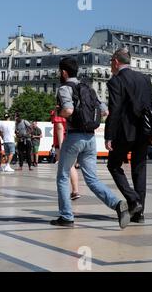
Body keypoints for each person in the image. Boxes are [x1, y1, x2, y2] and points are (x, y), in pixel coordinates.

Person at [51, 57, 129, 229]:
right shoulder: (88, 88)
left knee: (63, 176)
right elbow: (105, 111)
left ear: (64, 72)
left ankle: (66, 216)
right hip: (91, 138)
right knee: (92, 179)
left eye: (59, 71)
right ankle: (117, 204)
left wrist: (61, 112)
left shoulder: (65, 88)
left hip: (74, 137)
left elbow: (68, 110)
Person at [106, 48, 152, 224]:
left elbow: (114, 110)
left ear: (115, 62)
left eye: (110, 63)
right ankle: (140, 214)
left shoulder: (116, 81)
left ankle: (133, 200)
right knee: (140, 170)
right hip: (144, 133)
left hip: (124, 133)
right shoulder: (145, 79)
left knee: (113, 165)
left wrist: (109, 136)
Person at [51, 110, 81, 200]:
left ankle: (66, 194)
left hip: (64, 142)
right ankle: (75, 191)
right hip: (74, 140)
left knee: (64, 169)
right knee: (72, 166)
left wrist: (61, 146)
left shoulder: (60, 110)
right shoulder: (74, 109)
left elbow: (59, 128)